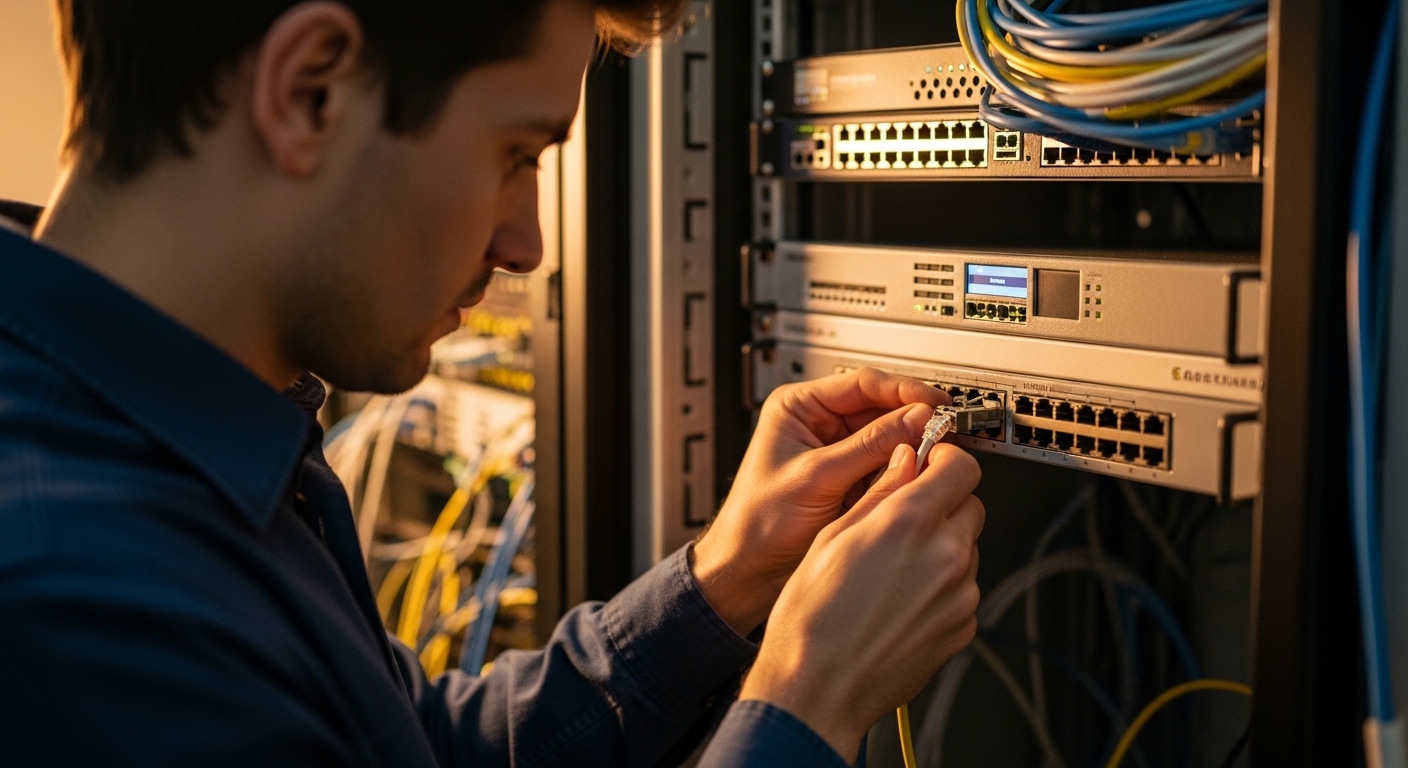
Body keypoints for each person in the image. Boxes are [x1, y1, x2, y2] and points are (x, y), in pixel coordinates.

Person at [0, 1, 985, 765]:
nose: (528, 245)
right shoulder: (73, 610)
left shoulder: (185, 439)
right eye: (515, 155)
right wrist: (808, 700)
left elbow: (415, 750)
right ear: (310, 92)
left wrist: (724, 581)